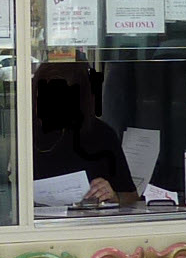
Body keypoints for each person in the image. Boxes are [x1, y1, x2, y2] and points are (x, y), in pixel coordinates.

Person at [32, 64, 135, 205]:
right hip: (35, 223)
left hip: (88, 223)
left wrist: (113, 196)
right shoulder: (25, 132)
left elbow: (131, 197)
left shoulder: (100, 134)